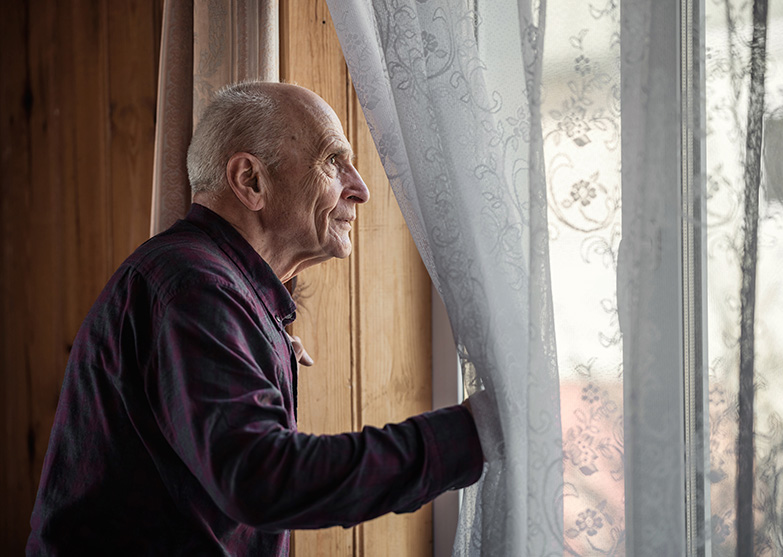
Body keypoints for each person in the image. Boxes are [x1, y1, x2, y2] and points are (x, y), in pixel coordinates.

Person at [27, 82, 484, 555]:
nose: (361, 189)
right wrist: (469, 435)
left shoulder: (216, 287)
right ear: (250, 180)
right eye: (333, 160)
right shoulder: (195, 287)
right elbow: (263, 479)